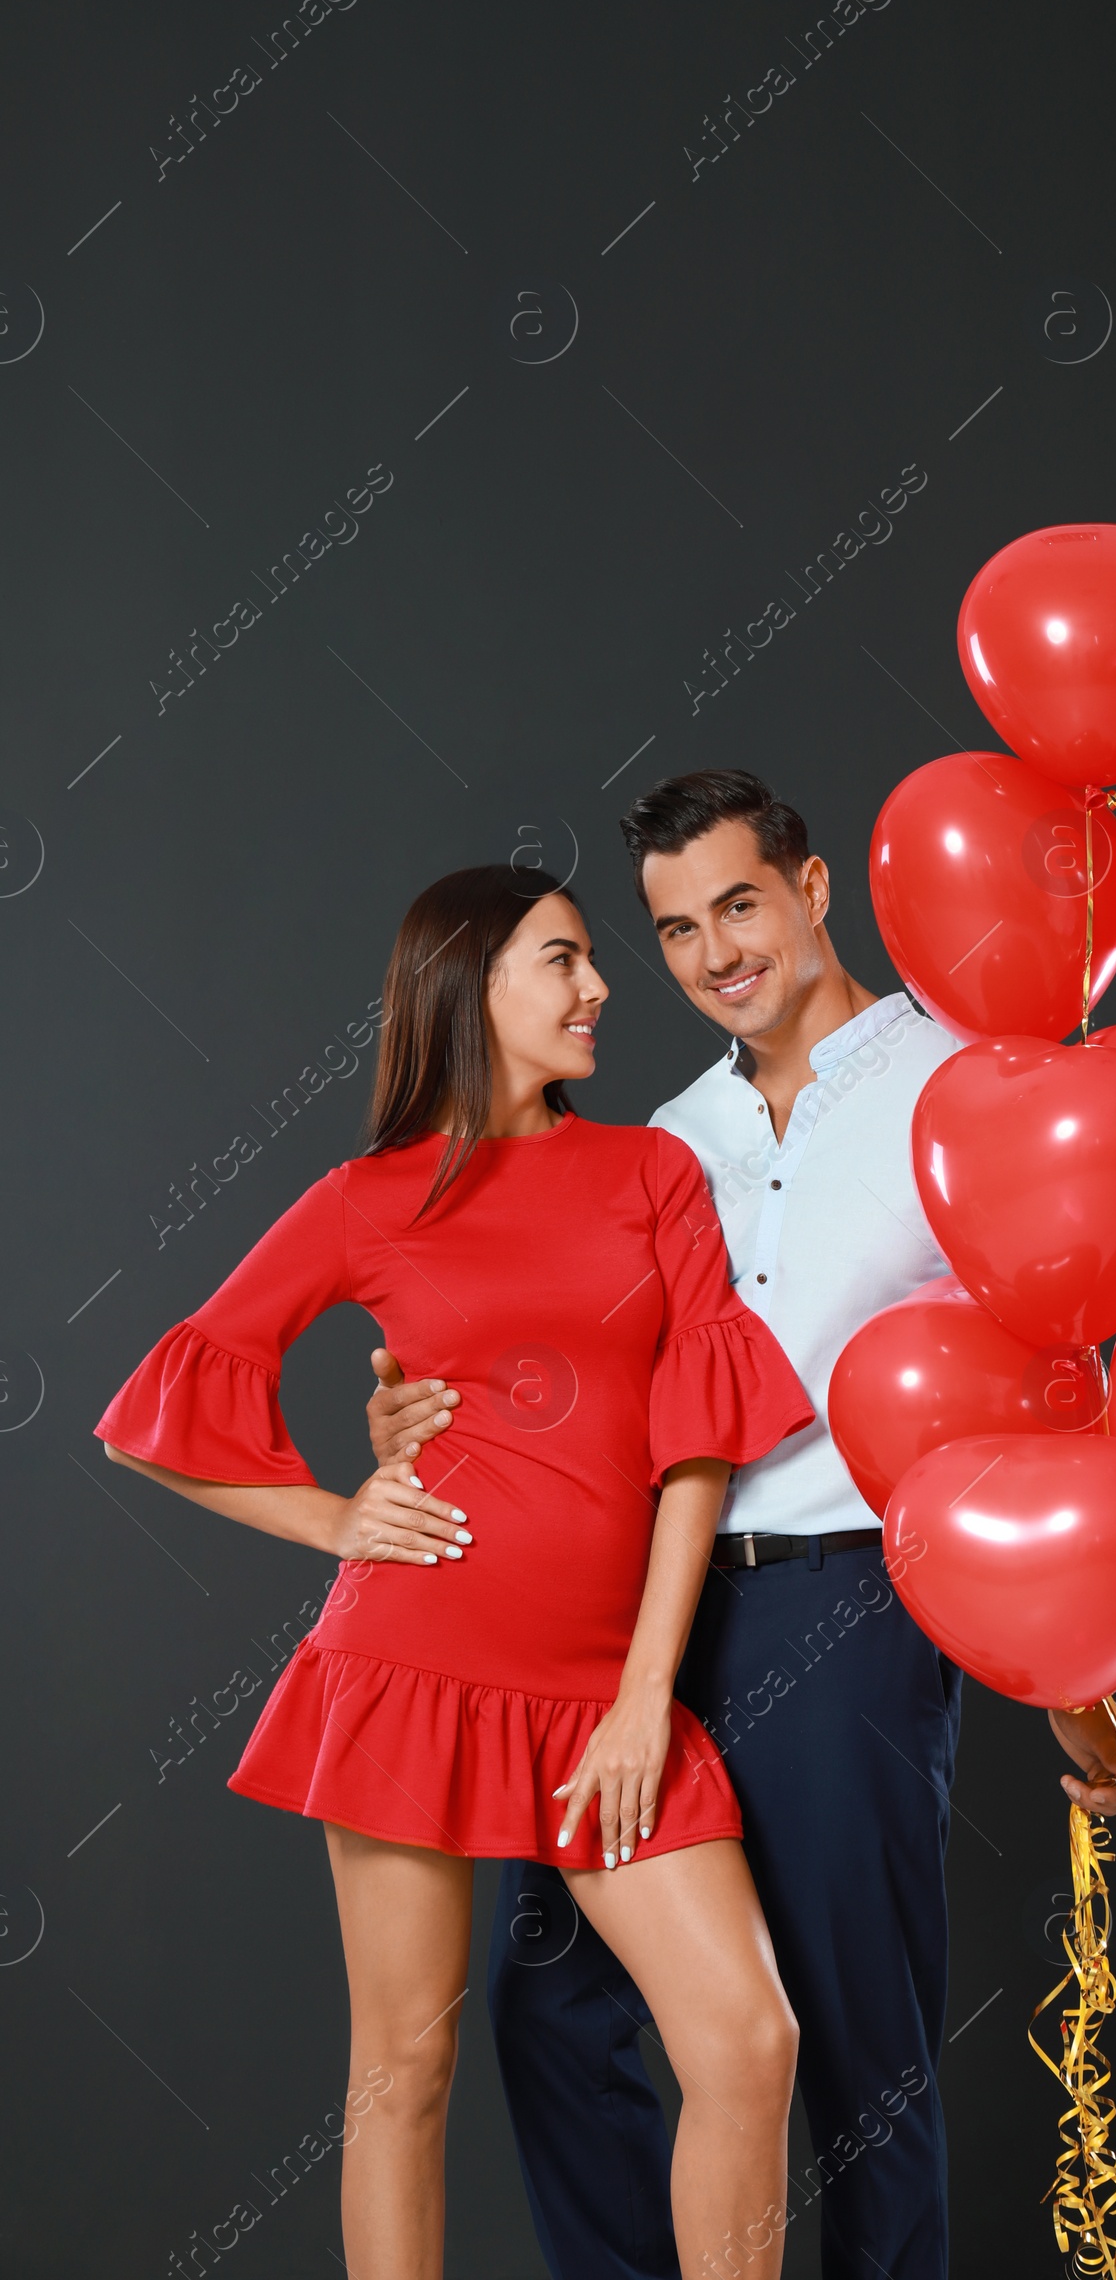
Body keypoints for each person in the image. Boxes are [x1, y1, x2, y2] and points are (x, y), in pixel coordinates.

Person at [367, 774, 1116, 2280]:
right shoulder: (665, 1139)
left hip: (851, 1608)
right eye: (673, 929)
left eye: (738, 903)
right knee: (553, 2012)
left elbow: (1054, 1385)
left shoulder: (964, 1093)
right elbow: (582, 1391)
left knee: (863, 2052)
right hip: (636, 1616)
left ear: (812, 887)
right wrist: (418, 1423)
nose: (716, 952)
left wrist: (1086, 1674)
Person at [96, 863, 816, 2280]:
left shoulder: (650, 1175)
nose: (600, 985)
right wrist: (333, 1519)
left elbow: (696, 1446)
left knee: (746, 2041)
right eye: (562, 960)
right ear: (471, 983)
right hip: (410, 1666)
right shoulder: (369, 1200)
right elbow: (159, 1411)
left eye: (594, 958)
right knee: (401, 2074)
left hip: (603, 1693)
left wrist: (641, 1695)